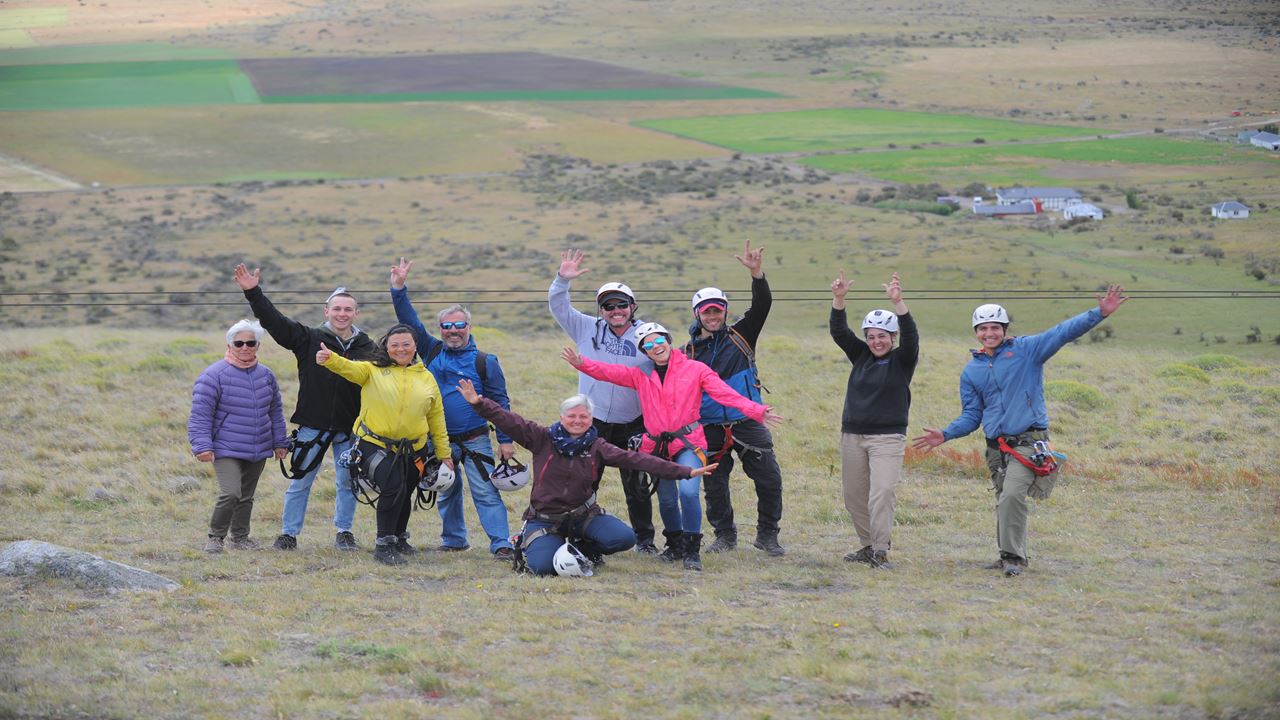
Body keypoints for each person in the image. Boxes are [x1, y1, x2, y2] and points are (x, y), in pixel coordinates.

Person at [912, 286, 1128, 577]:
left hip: (1029, 442)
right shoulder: (971, 371)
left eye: (995, 327)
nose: (990, 333)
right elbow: (972, 415)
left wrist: (1099, 313)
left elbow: (1062, 332)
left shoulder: (1028, 350)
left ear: (1004, 329)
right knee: (1004, 499)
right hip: (995, 448)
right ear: (976, 331)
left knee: (1013, 495)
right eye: (983, 328)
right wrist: (946, 434)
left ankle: (1014, 557)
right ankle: (1008, 556)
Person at [562, 323, 783, 571]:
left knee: (688, 492)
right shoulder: (641, 375)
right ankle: (675, 545)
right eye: (648, 344)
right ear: (644, 351)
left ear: (668, 340)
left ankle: (692, 549)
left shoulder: (696, 369)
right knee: (667, 500)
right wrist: (581, 363)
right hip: (657, 448)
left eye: (659, 341)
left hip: (689, 443)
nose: (656, 347)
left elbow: (725, 394)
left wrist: (757, 411)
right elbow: (608, 372)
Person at [456, 379, 722, 576]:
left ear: (590, 419)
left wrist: (685, 471)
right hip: (544, 519)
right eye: (571, 416)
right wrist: (480, 404)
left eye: (583, 416)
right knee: (542, 568)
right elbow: (508, 420)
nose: (577, 420)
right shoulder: (541, 437)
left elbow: (637, 459)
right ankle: (544, 543)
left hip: (583, 517)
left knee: (624, 538)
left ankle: (585, 548)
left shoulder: (598, 446)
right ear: (562, 417)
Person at [234, 264, 377, 552]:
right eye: (337, 309)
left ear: (356, 313)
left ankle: (344, 532)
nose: (342, 314)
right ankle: (288, 534)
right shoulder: (308, 338)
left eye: (348, 310)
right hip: (313, 424)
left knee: (347, 481)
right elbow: (275, 322)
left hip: (351, 428)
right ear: (327, 311)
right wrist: (253, 292)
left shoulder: (369, 347)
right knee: (300, 481)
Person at [389, 258, 515, 559]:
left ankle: (501, 544)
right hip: (438, 439)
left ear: (469, 327)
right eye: (447, 326)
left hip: (475, 438)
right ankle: (455, 539)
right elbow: (409, 319)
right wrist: (398, 288)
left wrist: (506, 440)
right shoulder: (431, 350)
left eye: (459, 325)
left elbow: (500, 401)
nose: (453, 330)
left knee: (485, 492)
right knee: (446, 489)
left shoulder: (486, 361)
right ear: (440, 329)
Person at [549, 249, 659, 554]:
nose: (615, 310)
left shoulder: (647, 335)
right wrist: (562, 280)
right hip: (592, 421)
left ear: (633, 306)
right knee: (585, 481)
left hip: (633, 421)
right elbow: (558, 307)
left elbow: (666, 368)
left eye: (622, 304)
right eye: (608, 306)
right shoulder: (586, 328)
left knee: (636, 485)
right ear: (601, 310)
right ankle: (576, 534)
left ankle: (645, 540)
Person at [316, 325, 454, 566]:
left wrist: (444, 454)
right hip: (373, 443)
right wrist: (330, 359)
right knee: (393, 487)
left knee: (406, 491)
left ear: (415, 347)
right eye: (395, 345)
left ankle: (400, 538)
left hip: (416, 448)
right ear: (386, 347)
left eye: (406, 344)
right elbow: (349, 368)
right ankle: (384, 544)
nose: (400, 349)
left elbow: (436, 417)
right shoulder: (372, 370)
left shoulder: (427, 377)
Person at [685, 240, 786, 556]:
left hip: (747, 420)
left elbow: (763, 305)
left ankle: (768, 535)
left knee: (769, 479)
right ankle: (724, 536)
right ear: (698, 314)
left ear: (725, 311)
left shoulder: (742, 335)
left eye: (718, 310)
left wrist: (757, 274)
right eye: (708, 311)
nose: (714, 316)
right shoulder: (686, 353)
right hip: (710, 425)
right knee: (714, 486)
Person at [829, 271, 918, 570]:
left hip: (888, 438)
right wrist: (839, 299)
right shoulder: (861, 356)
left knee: (881, 493)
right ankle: (867, 546)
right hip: (852, 435)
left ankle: (880, 550)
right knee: (854, 496)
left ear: (892, 338)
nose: (876, 341)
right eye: (871, 336)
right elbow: (840, 333)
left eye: (882, 336)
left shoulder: (902, 360)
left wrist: (899, 303)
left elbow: (912, 337)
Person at [188, 319, 288, 553]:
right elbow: (200, 415)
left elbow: (275, 411)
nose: (245, 347)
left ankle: (241, 538)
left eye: (250, 342)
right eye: (239, 342)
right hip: (225, 447)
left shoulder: (266, 375)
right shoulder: (213, 375)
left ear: (258, 345)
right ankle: (215, 537)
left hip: (258, 446)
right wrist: (202, 445)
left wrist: (279, 442)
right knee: (231, 492)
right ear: (230, 344)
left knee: (246, 496)